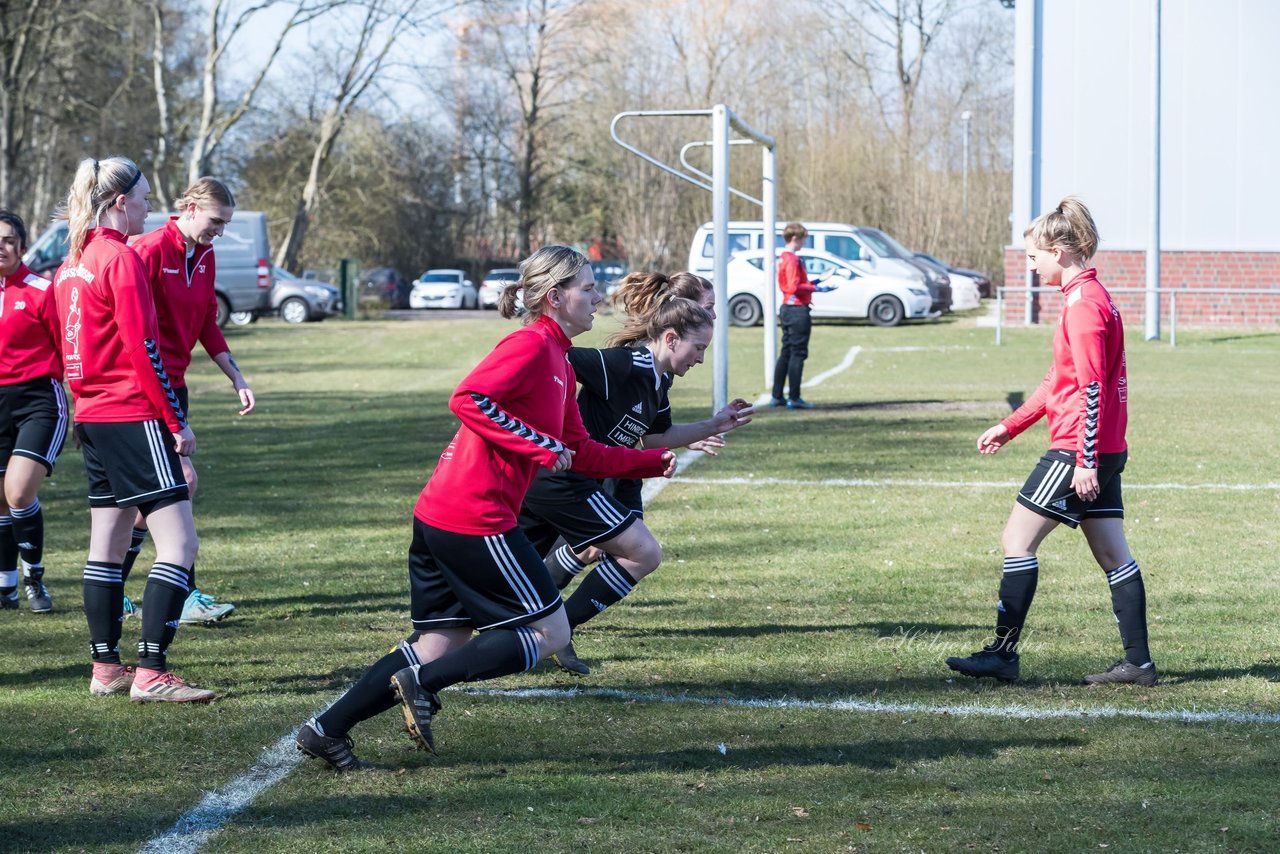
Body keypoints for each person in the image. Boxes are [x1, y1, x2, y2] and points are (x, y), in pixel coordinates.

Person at [296, 245, 676, 772]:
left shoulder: (560, 361)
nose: (596, 299)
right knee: (550, 633)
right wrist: (539, 448)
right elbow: (468, 399)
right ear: (554, 297)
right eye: (587, 290)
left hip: (443, 512)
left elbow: (581, 450)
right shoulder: (528, 346)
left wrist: (651, 462)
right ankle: (421, 686)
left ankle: (326, 728)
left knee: (441, 641)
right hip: (474, 517)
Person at [945, 196, 1157, 687]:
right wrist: (1010, 425)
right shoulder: (1089, 296)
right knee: (1112, 553)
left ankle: (1001, 654)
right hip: (1102, 449)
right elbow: (1058, 380)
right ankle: (1138, 665)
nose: (1030, 264)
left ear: (1059, 251)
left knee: (1016, 540)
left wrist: (1082, 460)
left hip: (1077, 450)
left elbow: (1090, 388)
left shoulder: (1083, 305)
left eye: (1033, 256)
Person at [521, 281, 753, 674]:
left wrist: (714, 424)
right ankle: (547, 632)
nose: (700, 359)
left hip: (601, 477)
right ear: (670, 338)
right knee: (634, 552)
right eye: (698, 348)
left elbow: (657, 436)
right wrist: (538, 428)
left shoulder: (660, 381)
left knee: (617, 555)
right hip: (566, 478)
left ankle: (550, 631)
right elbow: (554, 357)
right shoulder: (623, 365)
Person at [53, 155, 215, 702]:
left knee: (107, 543)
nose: (151, 206)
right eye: (145, 197)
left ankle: (105, 670)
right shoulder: (119, 258)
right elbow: (144, 349)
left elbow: (64, 346)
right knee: (179, 543)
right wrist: (175, 421)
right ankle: (151, 672)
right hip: (130, 412)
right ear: (121, 202)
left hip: (92, 416)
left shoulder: (71, 262)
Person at [124, 177, 254, 625]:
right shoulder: (148, 251)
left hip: (175, 385)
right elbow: (127, 328)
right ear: (192, 207)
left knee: (157, 495)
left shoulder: (207, 256)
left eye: (226, 224)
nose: (220, 230)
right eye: (216, 221)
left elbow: (205, 324)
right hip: (144, 388)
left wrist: (236, 375)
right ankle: (185, 594)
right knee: (179, 484)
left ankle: (119, 584)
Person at [0, 210, 67, 613]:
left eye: (8, 240)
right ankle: (6, 586)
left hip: (38, 400)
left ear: (23, 247)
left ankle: (34, 577)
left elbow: (71, 349)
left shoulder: (44, 290)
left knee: (20, 491)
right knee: (1, 502)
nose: (0, 247)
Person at [770, 222, 834, 410]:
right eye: (804, 238)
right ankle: (795, 397)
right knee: (797, 353)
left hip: (787, 309)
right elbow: (793, 287)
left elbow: (794, 283)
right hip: (797, 310)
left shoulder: (783, 258)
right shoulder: (792, 259)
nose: (805, 242)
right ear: (795, 238)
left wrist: (812, 282)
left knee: (787, 352)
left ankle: (778, 395)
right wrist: (816, 288)